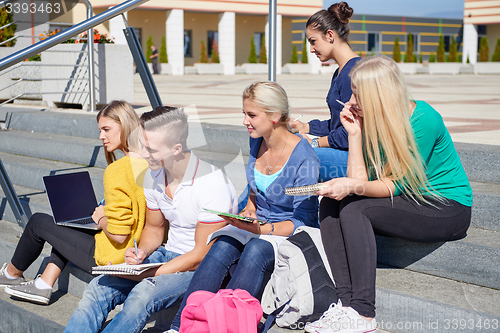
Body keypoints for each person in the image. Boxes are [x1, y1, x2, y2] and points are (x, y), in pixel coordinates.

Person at [306, 55, 473, 333]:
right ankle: (346, 305)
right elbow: (360, 180)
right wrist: (354, 135)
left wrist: (349, 186)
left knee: (354, 207)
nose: (351, 101)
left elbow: (394, 185)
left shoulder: (423, 120)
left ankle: (363, 312)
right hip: (411, 200)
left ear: (377, 94)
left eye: (357, 94)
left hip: (447, 207)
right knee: (331, 204)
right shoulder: (374, 122)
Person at [64, 106, 237, 333]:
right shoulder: (154, 174)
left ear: (176, 148)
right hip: (165, 256)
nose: (144, 155)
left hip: (201, 268)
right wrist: (141, 252)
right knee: (99, 287)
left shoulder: (211, 183)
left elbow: (201, 255)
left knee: (143, 294)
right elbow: (154, 228)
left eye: (151, 150)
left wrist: (153, 272)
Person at [167, 81, 320, 333]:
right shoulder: (257, 141)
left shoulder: (305, 159)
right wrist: (249, 208)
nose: (245, 121)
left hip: (287, 232)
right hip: (258, 225)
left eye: (251, 115)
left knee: (256, 250)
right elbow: (254, 188)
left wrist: (263, 230)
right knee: (222, 245)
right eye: (244, 114)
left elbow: (303, 220)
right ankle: (180, 326)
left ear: (275, 116)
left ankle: (228, 327)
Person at [1, 100, 148, 305]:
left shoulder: (118, 170)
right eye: (100, 130)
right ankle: (44, 283)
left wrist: (102, 217)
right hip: (140, 249)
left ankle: (10, 274)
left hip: (113, 256)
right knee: (67, 226)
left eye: (107, 129)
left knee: (38, 223)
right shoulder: (150, 163)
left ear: (125, 126)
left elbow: (120, 234)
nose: (101, 136)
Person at [289, 2, 361, 182]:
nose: (311, 49)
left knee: (286, 156)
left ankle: (247, 208)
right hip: (344, 152)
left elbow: (349, 133)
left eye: (313, 41)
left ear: (330, 35)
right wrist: (306, 127)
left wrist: (314, 142)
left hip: (357, 158)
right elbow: (339, 123)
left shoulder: (354, 74)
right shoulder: (340, 72)